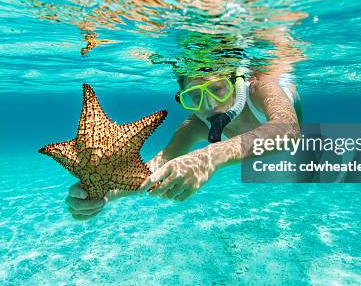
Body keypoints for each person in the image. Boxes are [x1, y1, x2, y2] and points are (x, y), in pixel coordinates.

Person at [65, 66, 303, 221]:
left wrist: (207, 158)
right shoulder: (197, 125)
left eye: (218, 89)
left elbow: (289, 129)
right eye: (195, 96)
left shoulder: (260, 87)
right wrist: (102, 194)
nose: (208, 105)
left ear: (236, 84)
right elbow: (158, 163)